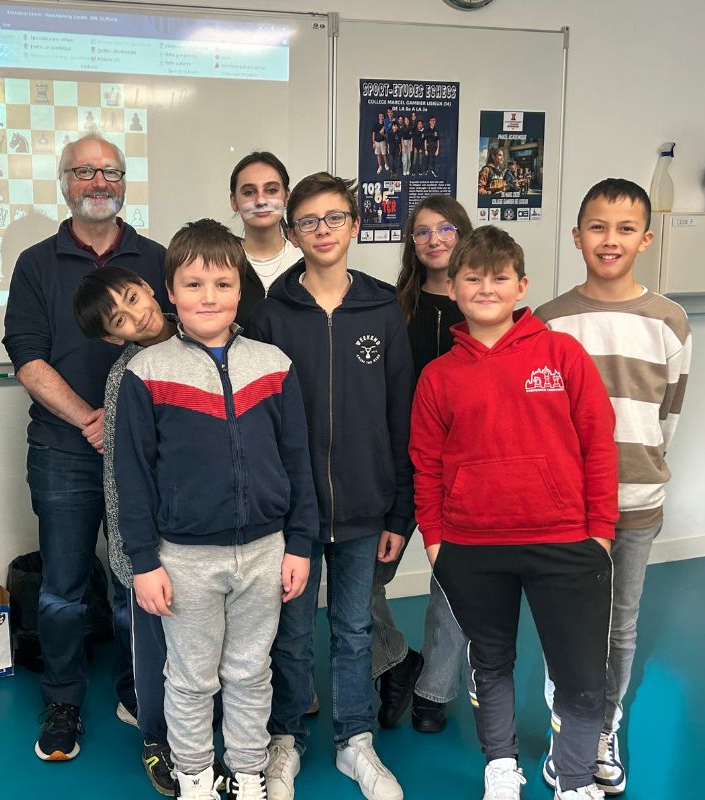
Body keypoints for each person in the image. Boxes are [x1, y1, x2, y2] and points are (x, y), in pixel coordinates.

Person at [410, 225, 617, 800]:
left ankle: (574, 780)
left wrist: (600, 531)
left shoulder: (561, 354)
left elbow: (599, 445)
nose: (486, 288)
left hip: (567, 542)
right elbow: (425, 465)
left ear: (521, 286)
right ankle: (500, 765)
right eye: (473, 278)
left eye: (499, 277)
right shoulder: (438, 377)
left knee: (580, 674)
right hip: (472, 547)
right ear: (454, 288)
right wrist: (436, 542)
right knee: (491, 662)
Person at [114, 220, 318, 800]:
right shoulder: (146, 373)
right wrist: (143, 562)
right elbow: (132, 478)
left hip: (266, 551)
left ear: (240, 290)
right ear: (170, 292)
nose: (209, 297)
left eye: (223, 284)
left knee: (252, 671)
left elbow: (297, 460)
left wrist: (299, 543)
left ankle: (249, 775)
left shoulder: (273, 364)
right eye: (194, 284)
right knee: (190, 678)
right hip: (183, 559)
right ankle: (196, 777)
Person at [246, 173, 412, 800]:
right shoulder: (270, 314)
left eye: (335, 217)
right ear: (292, 233)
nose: (323, 230)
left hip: (368, 506)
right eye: (309, 221)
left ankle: (355, 741)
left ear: (355, 226)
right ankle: (284, 739)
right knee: (289, 634)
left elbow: (400, 414)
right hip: (293, 512)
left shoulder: (382, 309)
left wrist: (400, 512)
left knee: (354, 630)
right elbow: (259, 420)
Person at [3, 133, 168, 763]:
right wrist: (92, 420)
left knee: (137, 582)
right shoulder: (34, 264)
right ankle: (63, 701)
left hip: (149, 454)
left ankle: (135, 689)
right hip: (64, 448)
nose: (99, 182)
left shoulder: (157, 257)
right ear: (64, 183)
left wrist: (127, 426)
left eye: (111, 172)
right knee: (62, 588)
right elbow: (27, 357)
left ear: (124, 181)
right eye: (84, 172)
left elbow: (177, 341)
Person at [536, 178, 691, 796]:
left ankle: (603, 727)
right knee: (566, 626)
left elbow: (669, 412)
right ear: (577, 236)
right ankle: (566, 733)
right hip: (566, 507)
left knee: (620, 626)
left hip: (636, 502)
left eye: (626, 229)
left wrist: (641, 465)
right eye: (598, 227)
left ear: (645, 239)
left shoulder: (670, 321)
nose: (611, 240)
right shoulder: (549, 321)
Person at [72, 265, 179, 795]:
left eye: (134, 297)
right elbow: (119, 474)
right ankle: (155, 739)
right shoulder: (126, 377)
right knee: (153, 652)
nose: (137, 315)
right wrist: (133, 558)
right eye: (120, 318)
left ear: (150, 287)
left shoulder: (208, 334)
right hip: (153, 544)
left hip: (212, 536)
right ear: (113, 337)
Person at [372, 195, 473, 734]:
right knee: (363, 577)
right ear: (411, 243)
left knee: (452, 582)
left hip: (461, 467)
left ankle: (434, 690)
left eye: (446, 229)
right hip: (397, 462)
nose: (435, 240)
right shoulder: (392, 307)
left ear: (464, 234)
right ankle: (395, 657)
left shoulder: (482, 305)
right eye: (423, 232)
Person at [228, 150, 300, 296]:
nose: (261, 200)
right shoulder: (221, 262)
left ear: (287, 197)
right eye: (249, 192)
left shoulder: (305, 262)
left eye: (272, 190)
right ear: (234, 201)